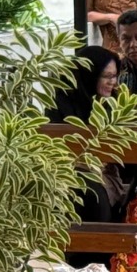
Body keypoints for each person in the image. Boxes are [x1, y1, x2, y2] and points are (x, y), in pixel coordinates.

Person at [50, 45, 128, 226]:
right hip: (65, 173)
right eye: (107, 76)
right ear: (89, 75)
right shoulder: (61, 101)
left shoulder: (114, 103)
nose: (113, 82)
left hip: (102, 172)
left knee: (92, 190)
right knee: (81, 187)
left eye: (115, 76)